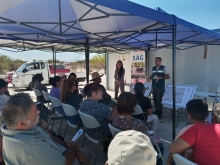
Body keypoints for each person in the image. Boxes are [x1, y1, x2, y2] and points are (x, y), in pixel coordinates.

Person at [1, 93, 89, 165]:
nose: (39, 112)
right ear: (22, 123)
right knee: (87, 152)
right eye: (35, 112)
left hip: (62, 152)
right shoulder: (31, 147)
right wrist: (73, 149)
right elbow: (65, 163)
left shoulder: (15, 128)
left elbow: (47, 135)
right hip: (66, 160)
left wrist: (67, 144)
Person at [169, 99, 220, 165]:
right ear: (207, 113)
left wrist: (168, 162)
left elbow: (172, 149)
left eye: (212, 114)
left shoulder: (197, 129)